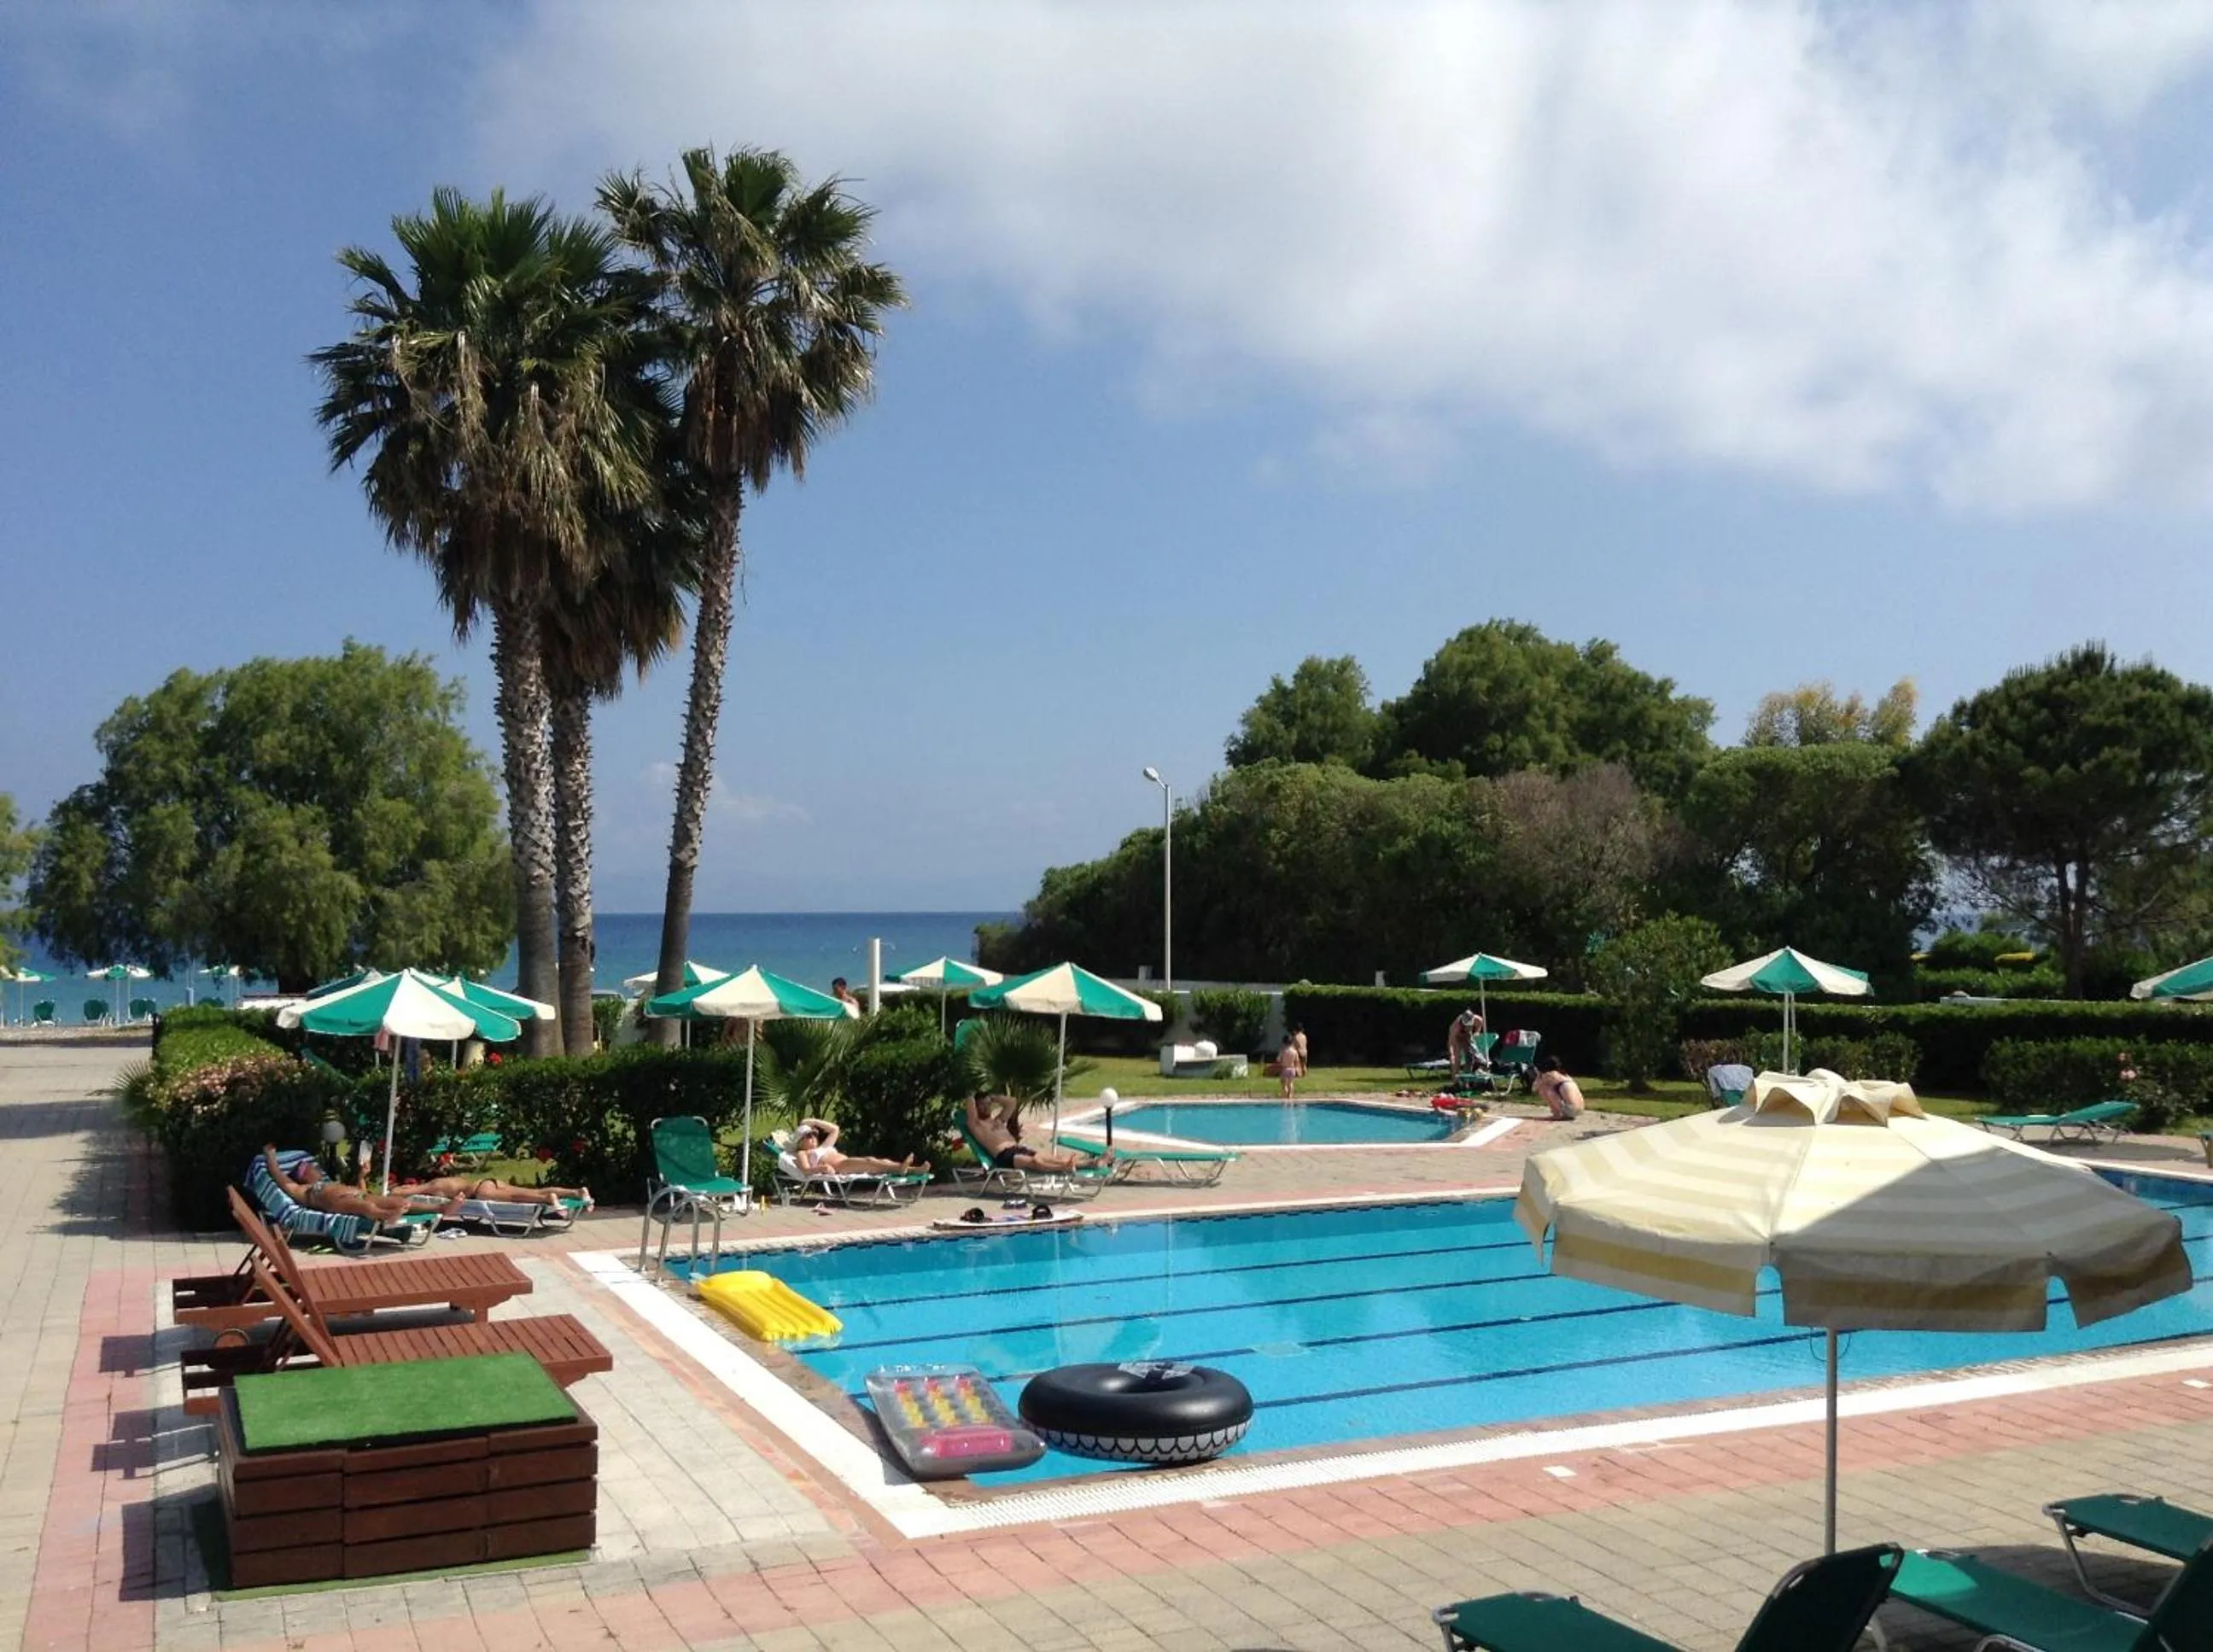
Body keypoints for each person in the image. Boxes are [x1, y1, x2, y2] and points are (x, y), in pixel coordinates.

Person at [262, 1145, 447, 1223]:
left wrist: (362, 1176)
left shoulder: (329, 1181)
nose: (314, 1169)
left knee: (402, 1202)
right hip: (337, 1204)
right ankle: (387, 1216)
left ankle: (441, 1208)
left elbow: (361, 1190)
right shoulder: (303, 1190)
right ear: (302, 1176)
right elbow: (279, 1177)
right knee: (365, 1206)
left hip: (359, 1195)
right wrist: (270, 1156)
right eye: (308, 1169)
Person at [963, 1094, 1106, 1174]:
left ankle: (1091, 1163)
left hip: (1018, 1149)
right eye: (982, 1105)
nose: (986, 1107)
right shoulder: (976, 1125)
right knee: (1035, 1162)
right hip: (1005, 1156)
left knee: (1053, 1158)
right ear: (975, 1107)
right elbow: (969, 1102)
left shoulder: (998, 1122)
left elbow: (1012, 1102)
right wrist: (970, 1093)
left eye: (988, 1104)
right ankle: (1066, 1167)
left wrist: (992, 1097)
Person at [791, 1118, 929, 1176]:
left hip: (846, 1162)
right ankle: (901, 1169)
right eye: (809, 1136)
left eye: (814, 1135)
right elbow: (806, 1170)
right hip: (841, 1167)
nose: (813, 1138)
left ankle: (914, 1170)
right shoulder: (802, 1153)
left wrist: (814, 1121)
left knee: (880, 1162)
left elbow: (835, 1129)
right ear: (800, 1142)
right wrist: (822, 1168)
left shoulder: (822, 1148)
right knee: (871, 1161)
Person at [394, 1172, 593, 1211]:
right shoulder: (447, 1179)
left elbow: (401, 1193)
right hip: (490, 1181)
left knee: (515, 1198)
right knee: (532, 1189)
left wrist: (395, 1192)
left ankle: (548, 1199)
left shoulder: (433, 1186)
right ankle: (577, 1192)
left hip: (480, 1190)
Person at [1532, 1053, 1585, 1121]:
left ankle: (1556, 1114)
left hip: (1571, 1110)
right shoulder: (1564, 1075)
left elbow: (1534, 1089)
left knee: (1545, 1089)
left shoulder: (1550, 1075)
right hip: (1580, 1109)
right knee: (1552, 1089)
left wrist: (1539, 1076)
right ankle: (1562, 1113)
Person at [1446, 1007, 1487, 1078]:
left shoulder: (1477, 1019)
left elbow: (1480, 1023)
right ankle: (1456, 1081)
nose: (1467, 1026)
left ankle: (1472, 1073)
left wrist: (1477, 1032)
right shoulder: (1455, 1026)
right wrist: (1452, 1054)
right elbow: (1451, 1041)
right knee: (1456, 1059)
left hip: (1468, 1036)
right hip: (1458, 1038)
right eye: (1466, 1025)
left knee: (1473, 1054)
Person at [1277, 1028, 1304, 1100]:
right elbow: (1297, 1061)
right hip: (1292, 1069)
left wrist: (1281, 1061)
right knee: (1291, 1083)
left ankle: (1284, 1098)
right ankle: (1290, 1097)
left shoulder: (1283, 1051)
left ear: (1284, 1042)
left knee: (1284, 1085)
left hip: (1285, 1068)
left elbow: (1278, 1059)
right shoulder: (1294, 1051)